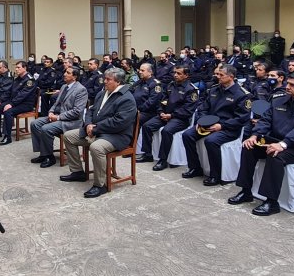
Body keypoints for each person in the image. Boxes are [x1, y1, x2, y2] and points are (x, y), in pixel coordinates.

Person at [228, 72, 294, 216]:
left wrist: (283, 144)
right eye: (287, 83)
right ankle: (245, 191)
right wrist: (255, 135)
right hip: (276, 140)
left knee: (275, 155)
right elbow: (266, 120)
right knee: (249, 147)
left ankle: (271, 202)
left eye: (292, 85)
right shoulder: (279, 100)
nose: (287, 87)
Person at [60, 68, 137, 198]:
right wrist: (88, 125)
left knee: (96, 147)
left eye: (108, 80)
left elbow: (118, 123)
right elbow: (90, 110)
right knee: (68, 136)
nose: (104, 82)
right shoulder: (103, 93)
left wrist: (95, 128)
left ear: (118, 82)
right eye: (105, 79)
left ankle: (101, 185)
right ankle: (78, 172)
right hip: (96, 131)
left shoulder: (127, 98)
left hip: (117, 136)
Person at [182, 64, 252, 186]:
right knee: (187, 135)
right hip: (208, 124)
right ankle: (195, 168)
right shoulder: (214, 89)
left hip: (228, 128)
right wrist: (201, 122)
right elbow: (203, 108)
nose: (217, 76)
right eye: (217, 74)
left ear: (231, 77)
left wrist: (222, 126)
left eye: (221, 75)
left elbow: (242, 118)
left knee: (211, 141)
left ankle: (216, 175)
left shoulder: (242, 94)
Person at [138, 65, 198, 170]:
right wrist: (161, 112)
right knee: (147, 126)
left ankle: (163, 160)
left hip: (180, 119)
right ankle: (147, 154)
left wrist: (171, 115)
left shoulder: (191, 89)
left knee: (166, 131)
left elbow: (187, 110)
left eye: (179, 73)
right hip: (165, 115)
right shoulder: (171, 85)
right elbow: (162, 101)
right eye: (175, 73)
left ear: (186, 75)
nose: (175, 75)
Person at [30, 67, 88, 168]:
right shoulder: (64, 86)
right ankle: (43, 154)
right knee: (35, 124)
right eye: (65, 72)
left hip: (71, 121)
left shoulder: (81, 90)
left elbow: (77, 112)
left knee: (46, 129)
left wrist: (58, 117)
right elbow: (56, 103)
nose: (64, 74)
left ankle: (49, 157)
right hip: (57, 116)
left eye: (68, 73)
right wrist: (51, 112)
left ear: (74, 77)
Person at [0, 61, 37, 145]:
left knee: (8, 111)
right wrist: (0, 101)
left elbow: (22, 95)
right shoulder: (17, 78)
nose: (16, 69)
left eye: (19, 67)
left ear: (25, 68)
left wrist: (11, 104)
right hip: (15, 102)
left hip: (25, 104)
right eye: (16, 67)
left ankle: (7, 137)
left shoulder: (30, 80)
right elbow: (8, 91)